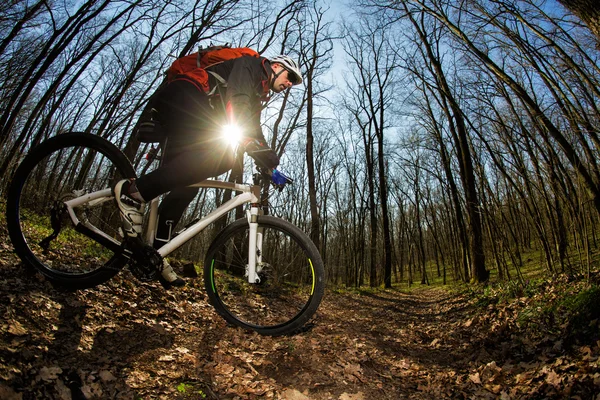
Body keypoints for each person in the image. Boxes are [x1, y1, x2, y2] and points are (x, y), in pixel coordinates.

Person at [113, 54, 303, 289]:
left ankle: (156, 254)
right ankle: (133, 192)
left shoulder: (258, 92)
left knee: (187, 187)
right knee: (222, 157)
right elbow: (238, 100)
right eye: (289, 77)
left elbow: (252, 124)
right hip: (184, 95)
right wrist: (255, 147)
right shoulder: (250, 65)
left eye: (293, 83)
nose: (289, 85)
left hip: (193, 110)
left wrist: (267, 159)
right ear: (276, 66)